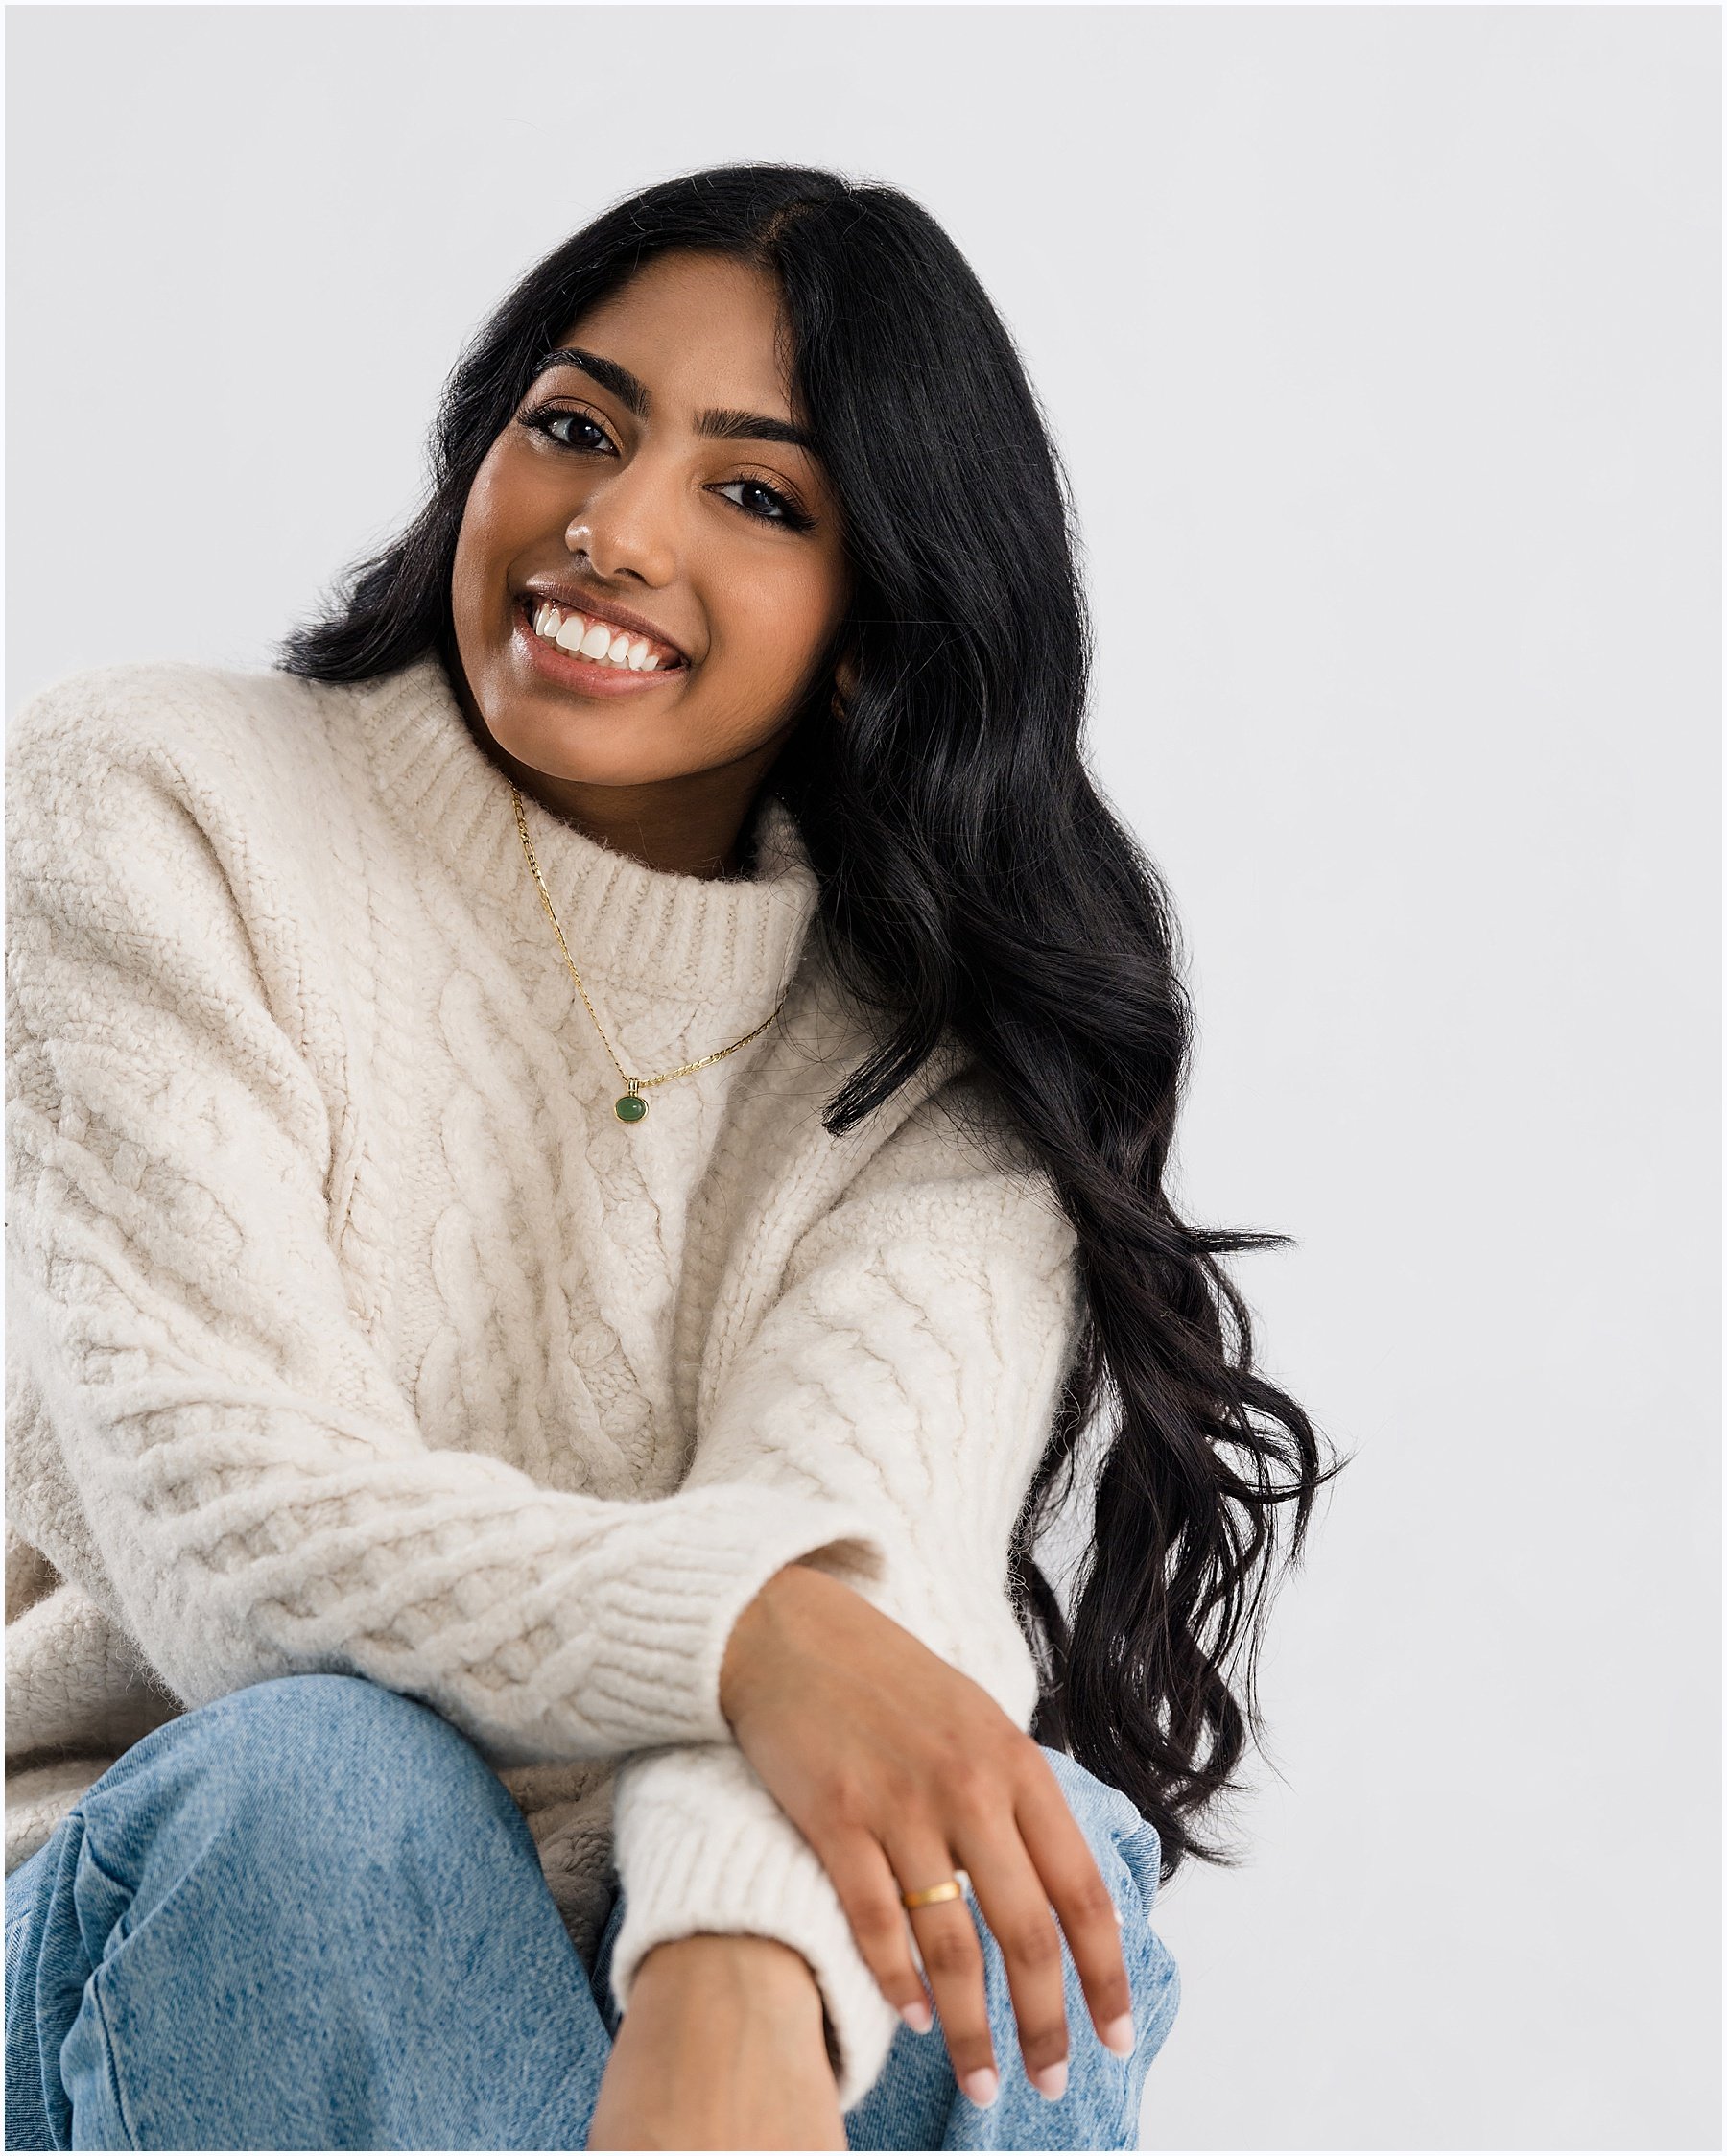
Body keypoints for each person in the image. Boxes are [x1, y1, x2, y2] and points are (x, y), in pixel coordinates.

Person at [5, 162, 1338, 2151]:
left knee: (1005, 1858)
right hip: (213, 1900)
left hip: (689, 1939)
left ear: (874, 626)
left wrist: (732, 1953)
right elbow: (222, 1515)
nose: (614, 529)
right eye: (576, 426)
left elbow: (873, 1556)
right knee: (330, 1798)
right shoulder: (161, 799)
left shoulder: (945, 1065)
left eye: (756, 495)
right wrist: (757, 1632)